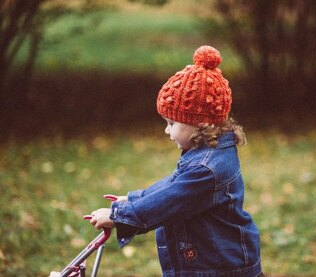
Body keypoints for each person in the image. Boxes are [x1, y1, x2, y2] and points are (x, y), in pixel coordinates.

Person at [52, 45, 262, 277]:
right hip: (215, 262)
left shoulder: (206, 168)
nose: (166, 130)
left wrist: (117, 216)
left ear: (200, 123)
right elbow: (174, 186)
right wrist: (133, 199)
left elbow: (169, 200)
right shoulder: (208, 152)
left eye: (172, 123)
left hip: (221, 268)